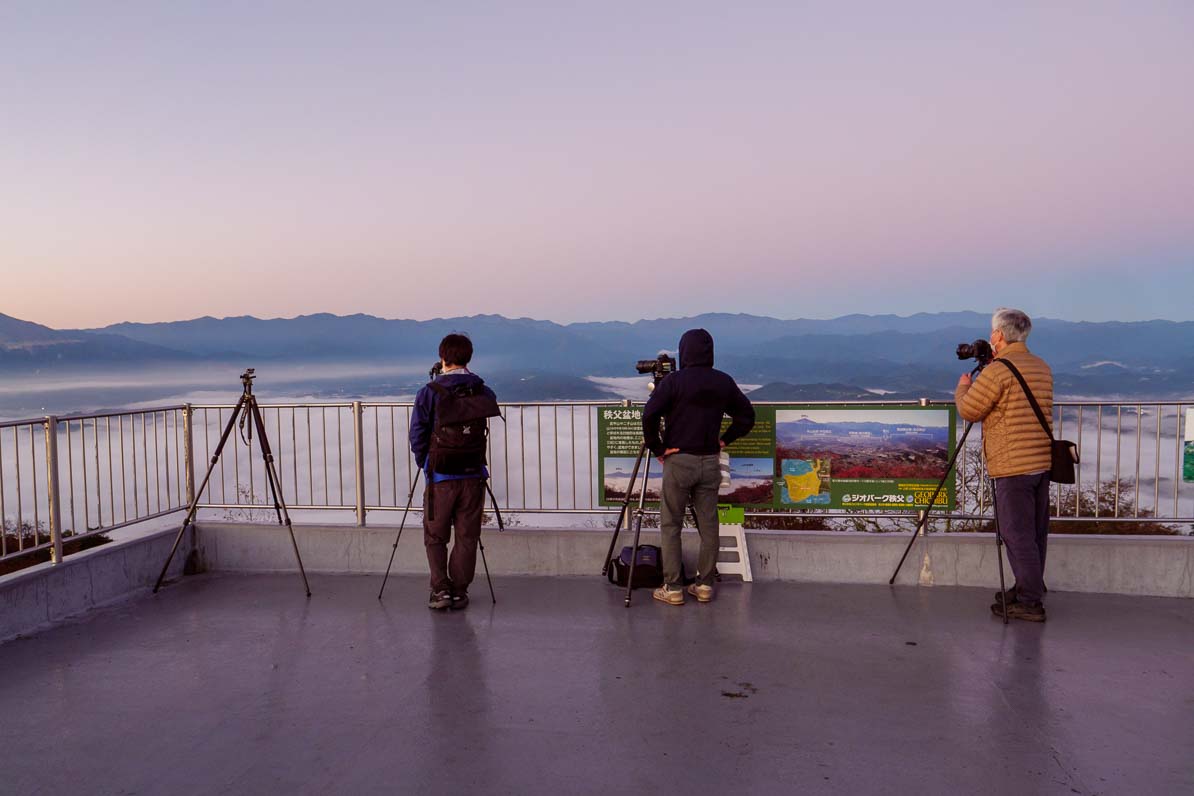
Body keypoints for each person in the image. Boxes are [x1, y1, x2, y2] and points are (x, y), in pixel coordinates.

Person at [642, 329, 755, 606]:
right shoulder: (722, 382)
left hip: (679, 461)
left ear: (684, 352)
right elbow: (746, 417)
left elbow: (650, 414)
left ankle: (674, 588)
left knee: (671, 525)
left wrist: (657, 448)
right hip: (709, 461)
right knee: (709, 525)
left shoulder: (673, 382)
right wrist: (724, 439)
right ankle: (704, 585)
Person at [955, 308, 1054, 622]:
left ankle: (1029, 600)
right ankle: (1028, 587)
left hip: (1013, 464)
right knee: (1035, 532)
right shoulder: (1041, 366)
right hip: (1041, 461)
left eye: (993, 332)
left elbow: (970, 410)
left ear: (999, 335)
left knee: (1016, 533)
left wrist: (963, 386)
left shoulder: (999, 371)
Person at [409, 333, 499, 611]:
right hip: (473, 475)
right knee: (467, 536)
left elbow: (417, 434)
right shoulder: (483, 391)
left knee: (436, 535)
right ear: (469, 357)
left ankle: (440, 590)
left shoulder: (429, 392)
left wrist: (426, 463)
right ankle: (460, 591)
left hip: (441, 477)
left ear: (442, 357)